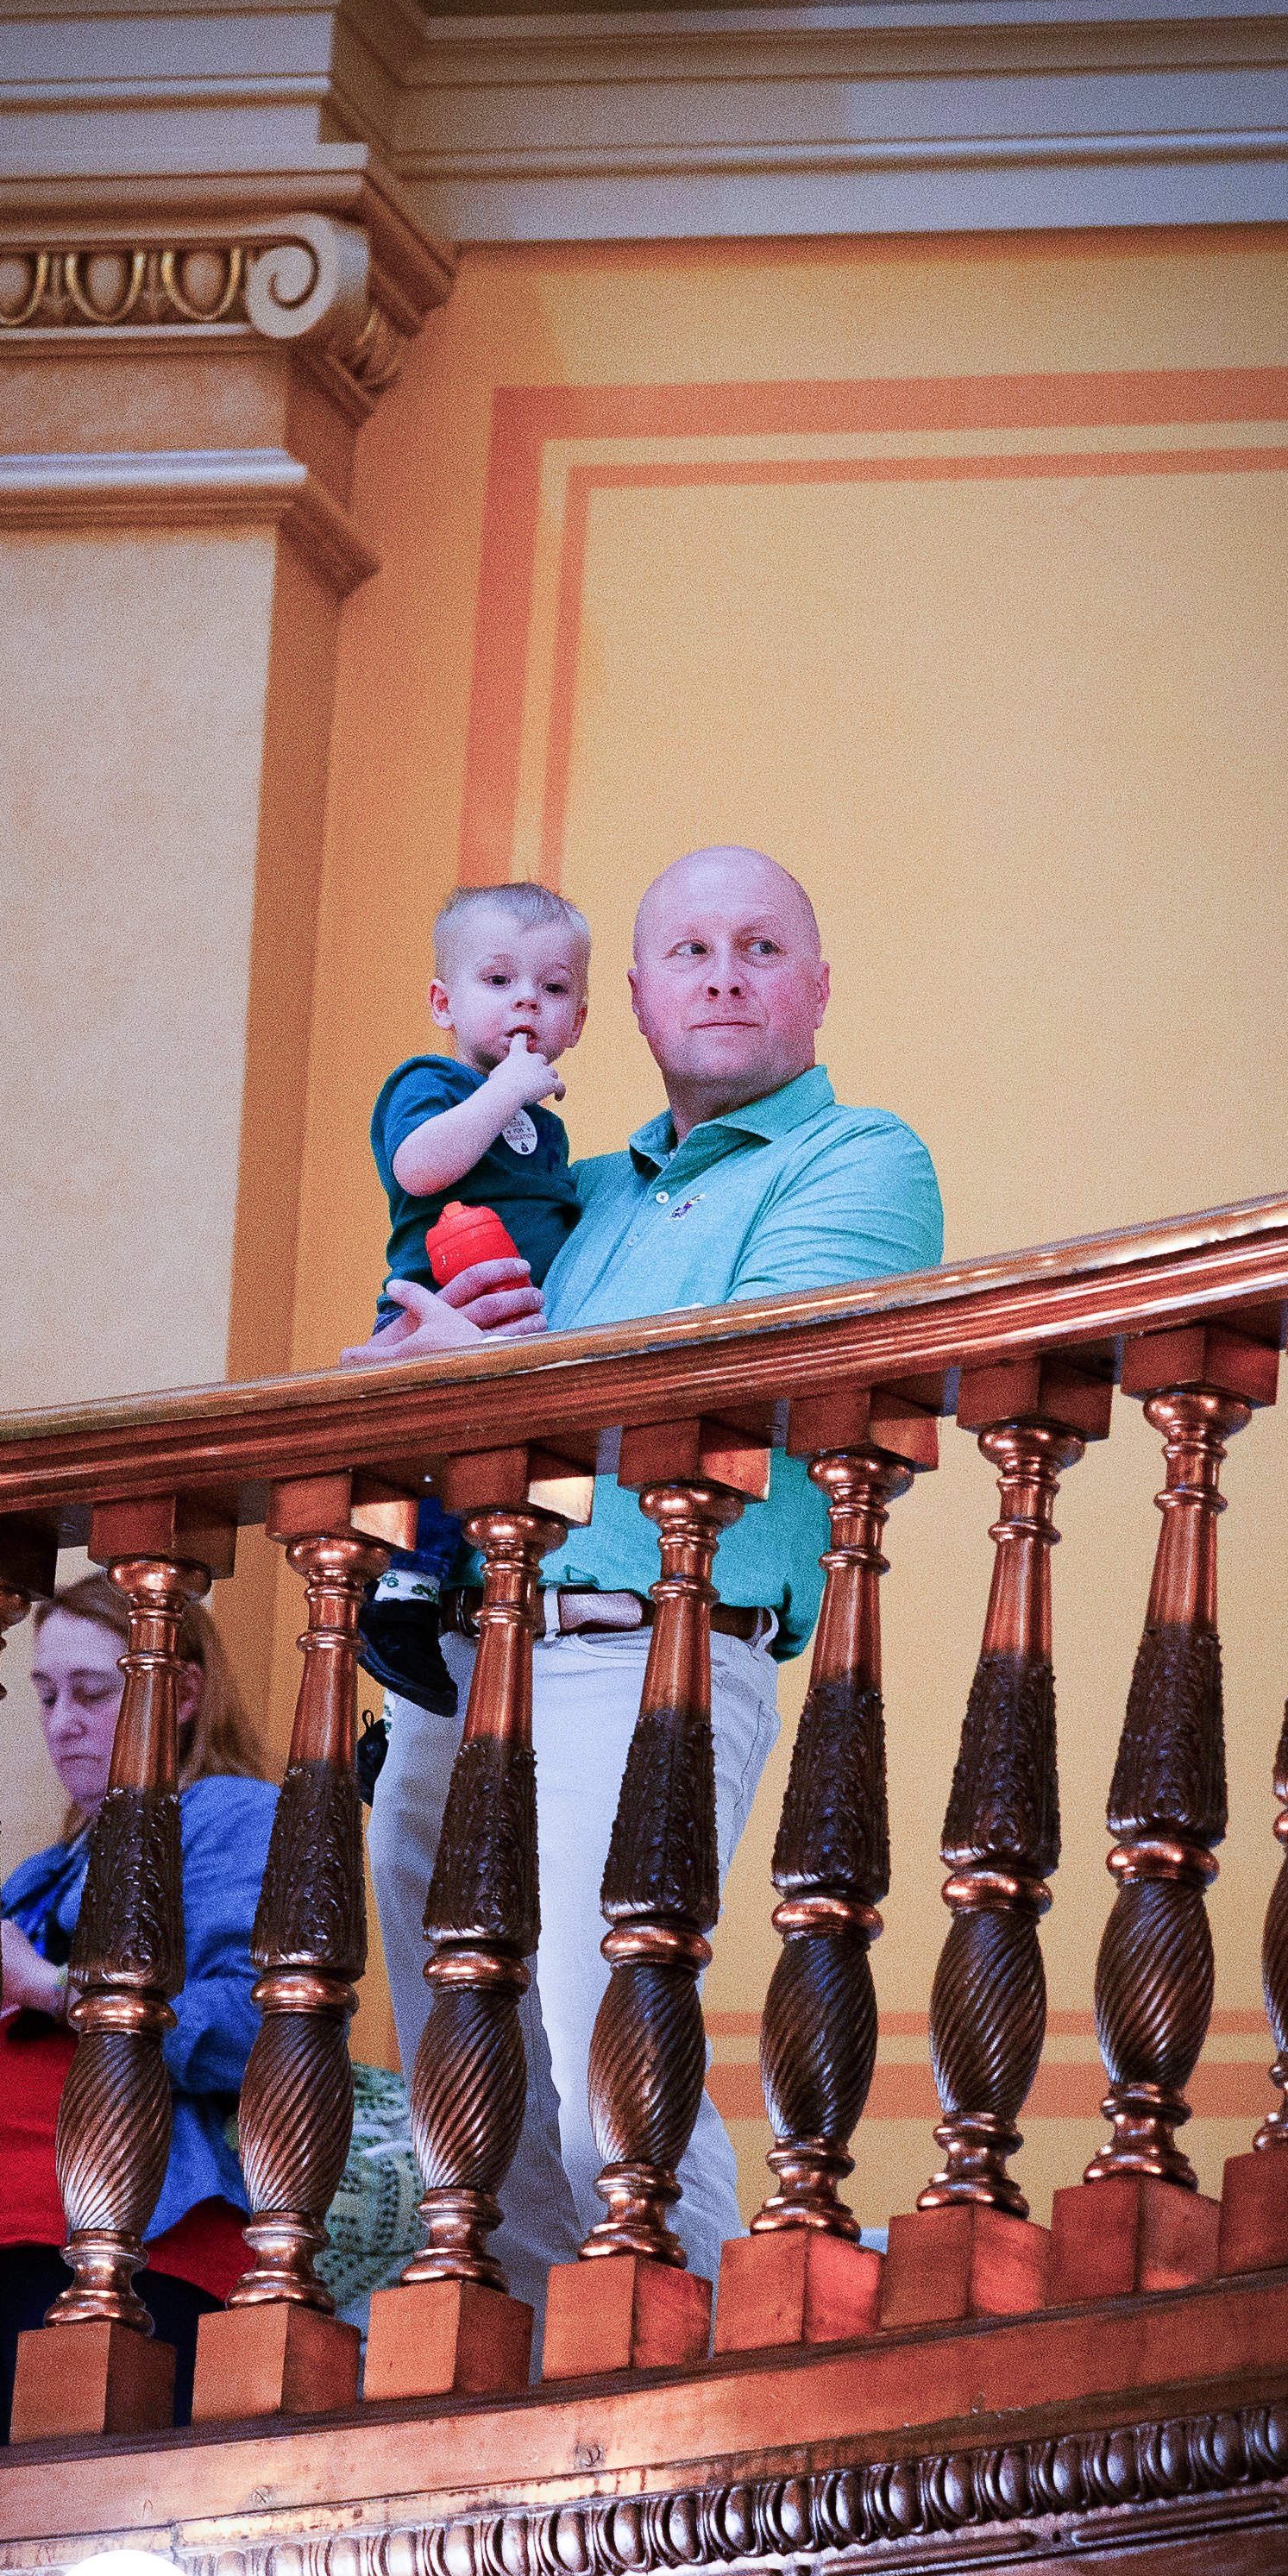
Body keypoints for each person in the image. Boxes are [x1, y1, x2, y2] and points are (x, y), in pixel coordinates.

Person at [350, 845, 943, 2328]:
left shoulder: (860, 1158)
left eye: (759, 946)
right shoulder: (576, 1188)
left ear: (815, 986)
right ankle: (581, 2392)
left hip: (656, 1646)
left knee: (598, 2055)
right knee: (467, 2101)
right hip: (470, 1661)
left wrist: (487, 1376)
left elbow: (759, 1380)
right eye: (688, 950)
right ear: (630, 998)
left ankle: (713, 2370)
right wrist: (406, 1377)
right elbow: (448, 1367)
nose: (724, 971)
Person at [0, 1575, 277, 2440]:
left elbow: (253, 2033)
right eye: (44, 1696)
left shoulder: (238, 1816)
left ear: (183, 1694)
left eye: (91, 1692)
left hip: (125, 2240)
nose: (61, 1724)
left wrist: (42, 1986)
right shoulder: (40, 1874)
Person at [357, 881, 588, 1715]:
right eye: (498, 981)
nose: (527, 998)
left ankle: (442, 1593)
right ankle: (396, 1598)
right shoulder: (430, 1082)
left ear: (579, 1021)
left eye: (554, 988)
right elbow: (420, 1166)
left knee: (485, 1474)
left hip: (509, 1330)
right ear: (442, 1002)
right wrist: (501, 1093)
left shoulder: (547, 1130)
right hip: (435, 1310)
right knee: (426, 1463)